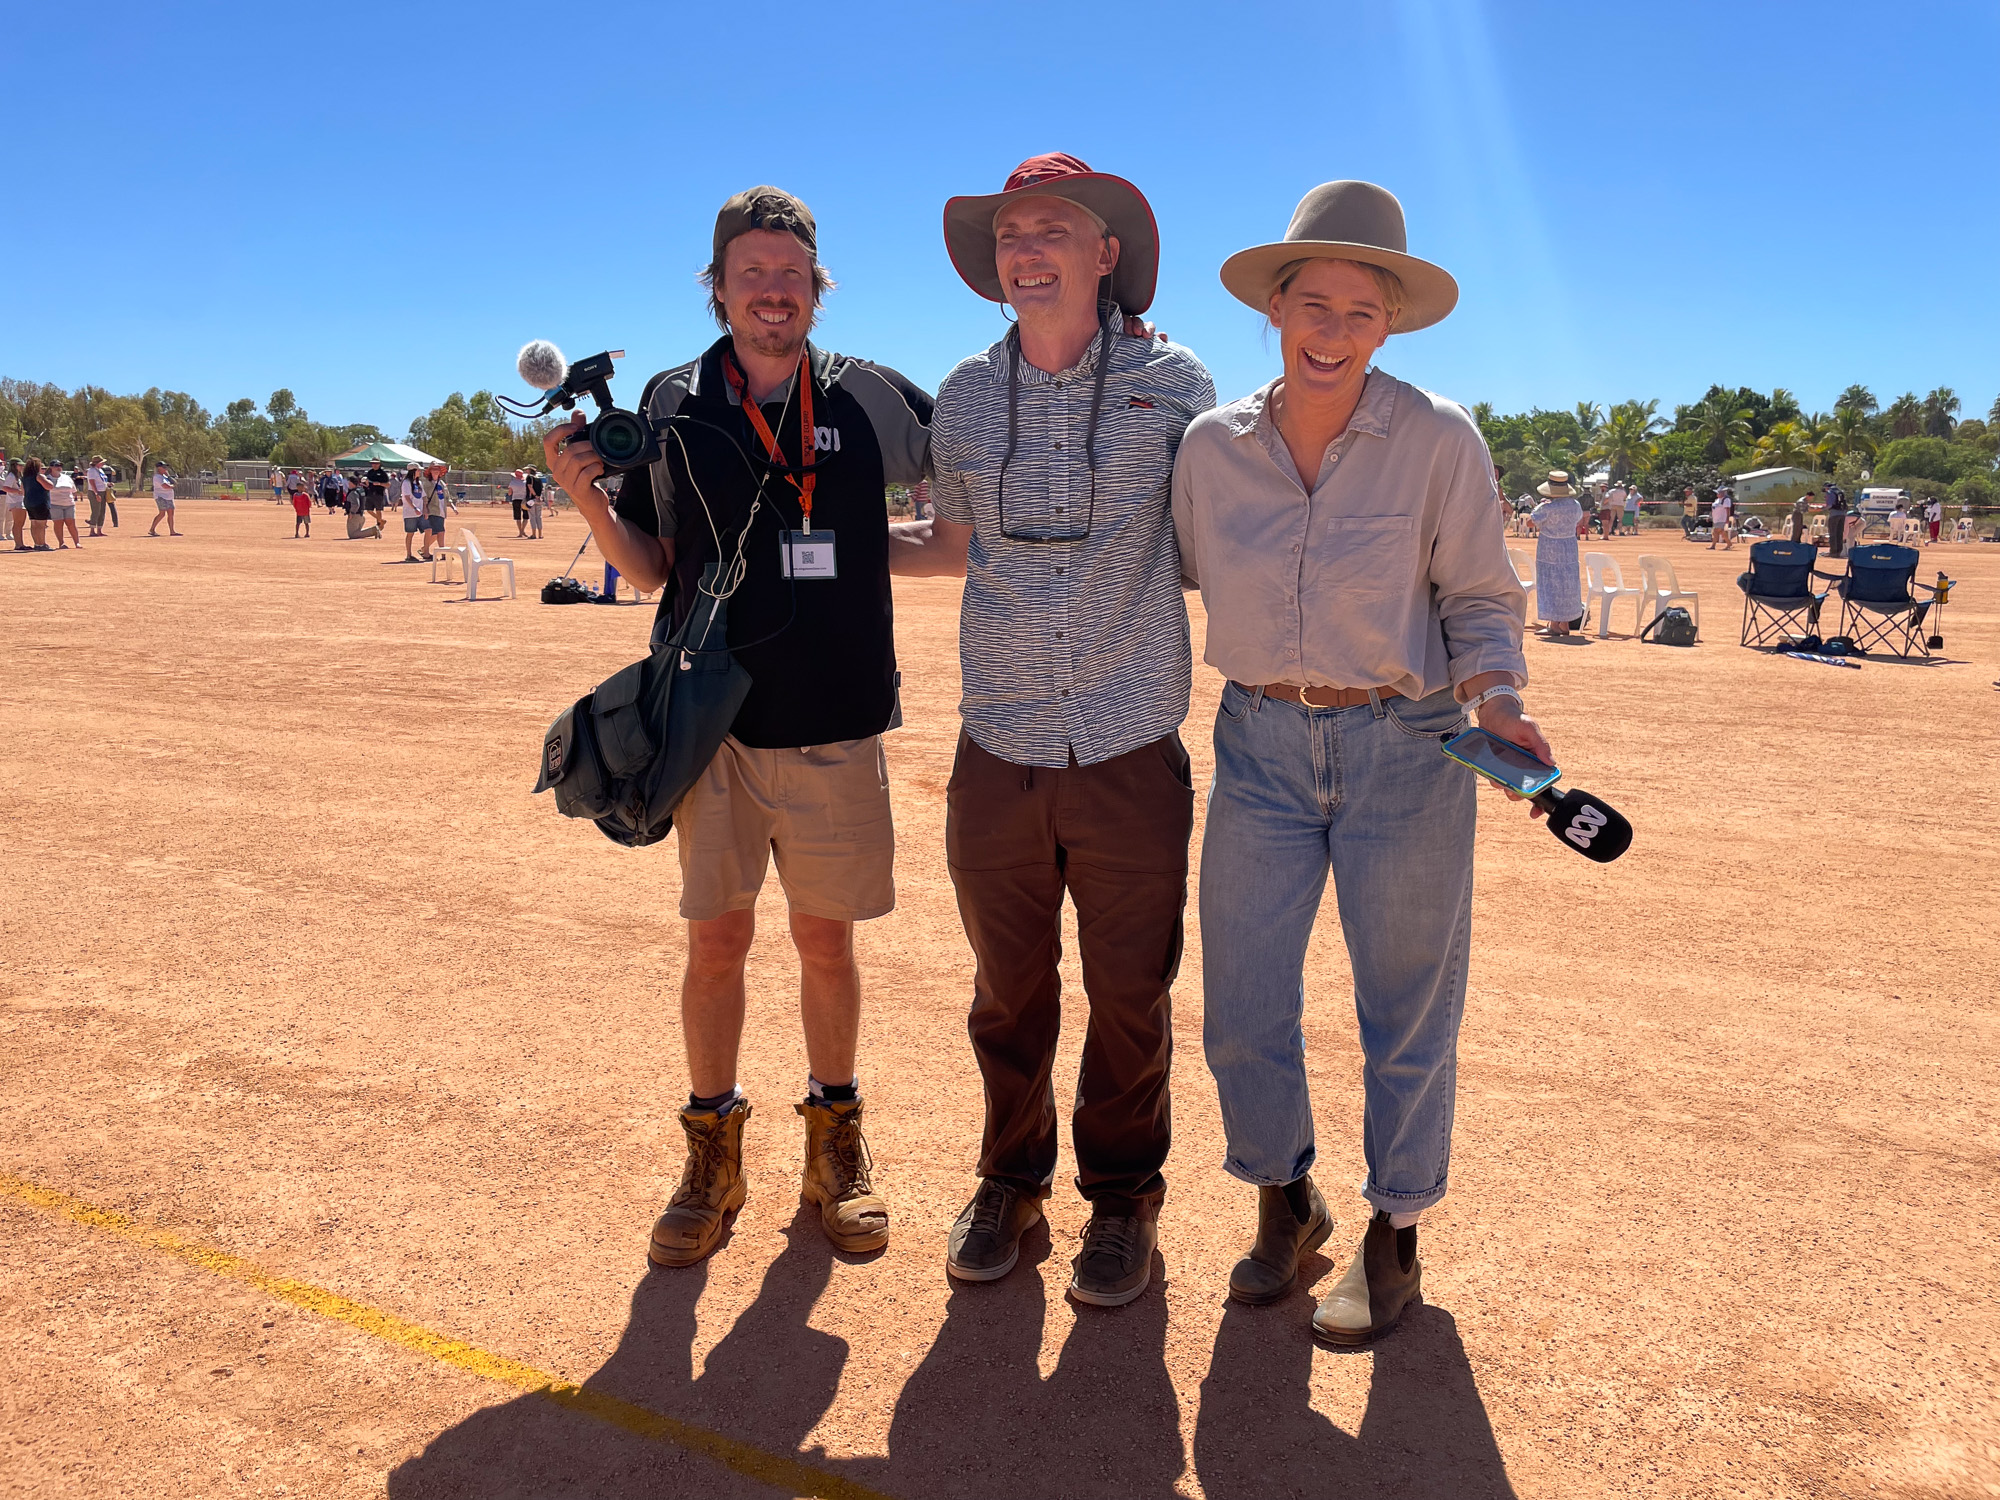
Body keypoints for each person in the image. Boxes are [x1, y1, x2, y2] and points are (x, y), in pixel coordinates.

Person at [1175, 180, 1543, 1346]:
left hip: (1410, 746)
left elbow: (1476, 595)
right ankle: (1285, 1200)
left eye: (1359, 313)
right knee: (1240, 1001)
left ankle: (1395, 1235)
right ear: (1273, 309)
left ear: (1387, 326)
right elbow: (1178, 572)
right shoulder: (1209, 449)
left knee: (1405, 1003)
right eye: (1313, 306)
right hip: (1257, 743)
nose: (1331, 332)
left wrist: (1499, 700)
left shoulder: (1437, 438)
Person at [542, 185, 932, 1269]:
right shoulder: (672, 399)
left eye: (790, 274)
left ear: (818, 288)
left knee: (826, 942)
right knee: (715, 943)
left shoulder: (870, 396)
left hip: (837, 723)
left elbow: (971, 474)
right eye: (751, 272)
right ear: (717, 287)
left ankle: (835, 1143)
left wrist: (1116, 339)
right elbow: (650, 568)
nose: (772, 290)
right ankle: (710, 1152)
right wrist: (587, 498)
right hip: (709, 727)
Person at [898, 152, 1214, 1307]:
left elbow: (1213, 545)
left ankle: (1122, 1198)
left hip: (1128, 744)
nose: (1025, 251)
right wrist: (802, 546)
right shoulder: (962, 396)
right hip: (998, 745)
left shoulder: (1175, 383)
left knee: (1130, 992)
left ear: (1104, 253)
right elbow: (948, 545)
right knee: (1006, 991)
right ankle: (1008, 1179)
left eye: (1051, 231)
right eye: (1009, 235)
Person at [1529, 472, 1585, 635]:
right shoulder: (1575, 505)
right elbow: (1579, 521)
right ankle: (1564, 624)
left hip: (1549, 549)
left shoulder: (1547, 508)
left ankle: (1554, 624)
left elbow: (1531, 522)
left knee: (1551, 583)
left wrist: (1539, 506)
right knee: (1567, 583)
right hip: (1569, 548)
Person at [45, 460, 82, 548]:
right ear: (51, 467)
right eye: (56, 466)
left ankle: (77, 542)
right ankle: (61, 543)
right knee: (58, 523)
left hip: (69, 504)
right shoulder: (47, 478)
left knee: (71, 523)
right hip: (54, 504)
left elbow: (73, 490)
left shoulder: (66, 477)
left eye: (60, 465)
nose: (59, 467)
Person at [19, 459, 53, 549]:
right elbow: (49, 486)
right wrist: (48, 480)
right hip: (40, 502)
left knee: (34, 523)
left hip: (28, 502)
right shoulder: (39, 476)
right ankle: (42, 544)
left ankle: (37, 544)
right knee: (41, 524)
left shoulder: (24, 478)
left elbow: (23, 491)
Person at [398, 466, 430, 561]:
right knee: (410, 533)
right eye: (418, 470)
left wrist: (425, 509)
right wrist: (414, 507)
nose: (420, 472)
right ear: (413, 471)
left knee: (429, 530)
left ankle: (426, 552)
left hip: (420, 513)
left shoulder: (419, 483)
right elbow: (407, 497)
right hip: (410, 513)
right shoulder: (406, 483)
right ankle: (409, 555)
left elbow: (423, 497)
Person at [148, 461, 181, 536]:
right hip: (161, 497)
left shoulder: (165, 476)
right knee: (162, 513)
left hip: (169, 497)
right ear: (158, 468)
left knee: (171, 513)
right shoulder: (157, 477)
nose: (165, 468)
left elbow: (174, 482)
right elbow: (165, 486)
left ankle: (172, 531)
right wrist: (172, 486)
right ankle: (152, 529)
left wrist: (168, 476)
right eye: (163, 467)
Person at [84, 455, 112, 535]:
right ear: (97, 463)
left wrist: (108, 484)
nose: (103, 464)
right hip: (95, 492)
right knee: (96, 511)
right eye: (102, 462)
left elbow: (102, 481)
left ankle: (99, 530)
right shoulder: (92, 471)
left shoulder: (100, 470)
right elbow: (92, 482)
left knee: (102, 511)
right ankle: (92, 530)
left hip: (102, 491)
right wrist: (96, 493)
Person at [1, 459, 23, 547]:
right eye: (20, 465)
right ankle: (1, 533)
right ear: (14, 466)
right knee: (2, 516)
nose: (22, 467)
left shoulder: (17, 475)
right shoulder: (11, 475)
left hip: (16, 499)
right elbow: (5, 487)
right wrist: (18, 491)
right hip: (11, 499)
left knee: (11, 518)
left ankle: (8, 533)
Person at [363, 460, 390, 534]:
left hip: (378, 494)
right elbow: (368, 483)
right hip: (370, 493)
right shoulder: (370, 472)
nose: (374, 465)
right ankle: (381, 520)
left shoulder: (383, 473)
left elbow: (388, 484)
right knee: (369, 510)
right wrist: (366, 483)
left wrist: (380, 484)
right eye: (373, 463)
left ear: (379, 464)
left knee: (378, 510)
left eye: (376, 463)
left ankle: (378, 525)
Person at [1825, 484, 1848, 558]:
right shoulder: (1841, 492)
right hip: (1842, 514)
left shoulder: (1830, 492)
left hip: (1834, 515)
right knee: (1839, 534)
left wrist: (1821, 509)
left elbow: (1829, 505)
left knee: (1833, 534)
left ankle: (1833, 552)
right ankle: (1839, 552)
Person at [1709, 485, 1734, 550]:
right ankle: (1728, 543)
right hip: (1716, 519)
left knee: (1717, 531)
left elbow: (1728, 509)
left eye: (1719, 493)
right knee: (1719, 532)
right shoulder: (1717, 500)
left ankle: (1714, 545)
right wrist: (1710, 516)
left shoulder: (1726, 500)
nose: (1717, 494)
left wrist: (1727, 519)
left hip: (1722, 518)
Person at [524, 467, 546, 538]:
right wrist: (539, 497)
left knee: (532, 516)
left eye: (527, 469)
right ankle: (540, 534)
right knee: (539, 517)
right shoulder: (538, 478)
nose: (526, 470)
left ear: (530, 471)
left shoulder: (529, 477)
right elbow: (542, 489)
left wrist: (535, 495)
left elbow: (530, 487)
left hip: (532, 499)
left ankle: (534, 534)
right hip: (539, 499)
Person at [508, 469, 529, 537]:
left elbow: (509, 493)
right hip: (524, 500)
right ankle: (522, 530)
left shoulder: (512, 482)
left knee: (518, 516)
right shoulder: (525, 482)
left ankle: (520, 532)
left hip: (515, 499)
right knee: (526, 516)